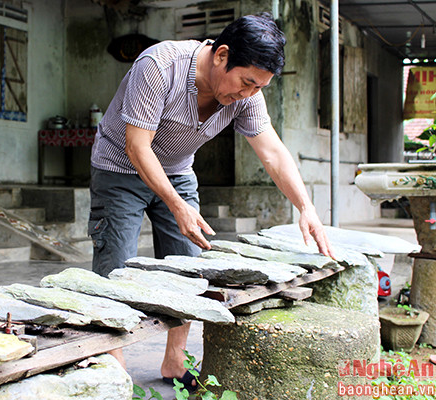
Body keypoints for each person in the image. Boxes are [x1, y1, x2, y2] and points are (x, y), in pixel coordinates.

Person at [88, 12, 334, 389]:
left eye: (258, 87)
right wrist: (175, 204)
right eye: (247, 82)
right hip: (120, 168)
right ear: (221, 55)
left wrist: (307, 207)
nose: (249, 93)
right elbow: (137, 146)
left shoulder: (247, 94)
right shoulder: (159, 65)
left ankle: (174, 361)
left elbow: (272, 153)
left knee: (190, 267)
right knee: (115, 268)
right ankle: (115, 371)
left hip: (178, 170)